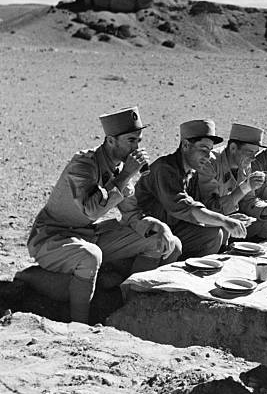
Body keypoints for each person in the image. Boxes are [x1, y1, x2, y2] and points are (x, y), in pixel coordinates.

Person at [27, 107, 181, 323]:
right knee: (90, 256)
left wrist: (159, 226)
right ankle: (79, 324)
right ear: (110, 141)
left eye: (139, 140)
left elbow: (132, 215)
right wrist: (126, 174)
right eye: (131, 141)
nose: (137, 147)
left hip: (88, 236)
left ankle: (128, 309)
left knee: (161, 242)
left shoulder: (120, 171)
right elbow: (91, 209)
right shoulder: (83, 164)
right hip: (52, 238)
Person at [123, 120, 248, 259]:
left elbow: (201, 207)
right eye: (203, 149)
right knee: (215, 230)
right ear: (186, 145)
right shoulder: (165, 169)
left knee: (216, 233)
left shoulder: (192, 172)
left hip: (173, 227)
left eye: (210, 151)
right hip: (146, 230)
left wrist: (225, 219)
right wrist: (224, 220)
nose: (207, 157)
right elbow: (186, 207)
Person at [198, 123, 267, 240]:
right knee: (220, 233)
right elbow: (210, 208)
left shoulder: (245, 164)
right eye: (250, 152)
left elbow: (248, 200)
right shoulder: (210, 163)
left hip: (231, 219)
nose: (253, 158)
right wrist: (244, 187)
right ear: (233, 148)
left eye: (255, 153)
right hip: (210, 222)